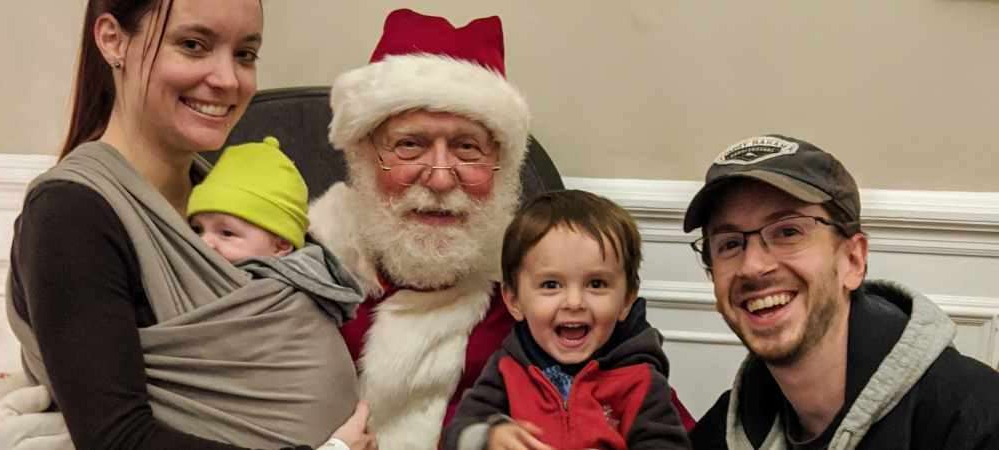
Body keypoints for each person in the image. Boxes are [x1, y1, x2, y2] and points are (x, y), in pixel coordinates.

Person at [0, 1, 374, 449]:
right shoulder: (70, 213)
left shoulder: (223, 197)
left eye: (245, 54)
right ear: (112, 40)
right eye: (193, 45)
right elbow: (117, 440)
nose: (227, 79)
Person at [308, 9, 693, 449]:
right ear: (364, 156)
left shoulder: (539, 296)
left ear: (502, 169)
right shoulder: (304, 281)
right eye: (410, 144)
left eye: (467, 148)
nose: (439, 178)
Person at [684, 135, 999, 449]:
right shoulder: (726, 428)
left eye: (788, 231)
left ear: (853, 260)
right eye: (729, 244)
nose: (752, 266)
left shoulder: (973, 422)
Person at [442, 190, 690, 450]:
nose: (574, 302)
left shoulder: (640, 379)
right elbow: (457, 433)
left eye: (596, 284)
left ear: (626, 300)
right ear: (514, 300)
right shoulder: (506, 368)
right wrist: (489, 437)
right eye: (551, 284)